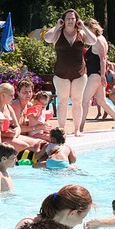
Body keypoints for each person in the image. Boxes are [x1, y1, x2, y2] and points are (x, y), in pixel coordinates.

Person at [43, 9, 97, 137]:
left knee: (77, 101)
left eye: (73, 18)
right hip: (61, 73)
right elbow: (47, 38)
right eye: (68, 18)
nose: (70, 21)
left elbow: (93, 40)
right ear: (63, 20)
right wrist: (57, 26)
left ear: (76, 20)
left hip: (79, 73)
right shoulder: (58, 33)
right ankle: (61, 130)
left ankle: (77, 129)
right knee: (62, 101)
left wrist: (83, 25)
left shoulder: (81, 33)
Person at [80, 18, 115, 132]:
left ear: (93, 29)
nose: (85, 33)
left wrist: (103, 76)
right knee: (101, 101)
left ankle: (79, 127)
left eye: (87, 30)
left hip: (96, 75)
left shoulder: (98, 40)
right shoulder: (99, 39)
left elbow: (103, 59)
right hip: (98, 74)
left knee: (84, 101)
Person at [0, 83, 42, 153]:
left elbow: (17, 126)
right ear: (3, 95)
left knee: (37, 143)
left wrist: (15, 133)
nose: (13, 98)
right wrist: (7, 134)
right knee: (24, 146)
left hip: (8, 136)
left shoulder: (8, 107)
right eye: (11, 95)